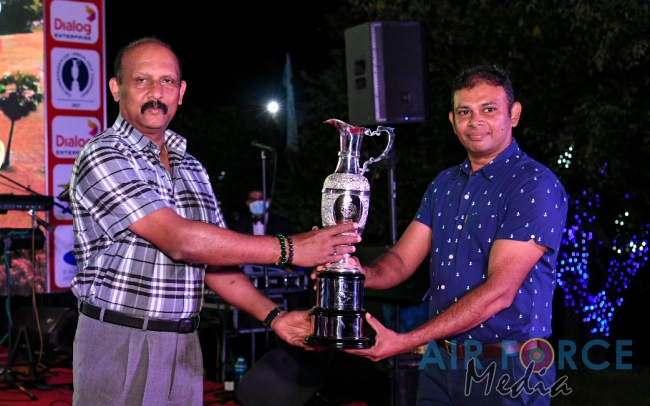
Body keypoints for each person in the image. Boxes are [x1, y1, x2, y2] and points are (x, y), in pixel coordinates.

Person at [68, 37, 360, 406]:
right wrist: (289, 249)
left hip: (185, 344)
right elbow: (180, 241)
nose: (156, 92)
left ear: (181, 92)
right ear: (116, 88)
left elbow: (213, 261)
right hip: (119, 338)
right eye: (142, 80)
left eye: (167, 81)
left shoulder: (192, 167)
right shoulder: (103, 153)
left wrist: (275, 317)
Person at [339, 63, 568, 405]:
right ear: (452, 120)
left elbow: (499, 293)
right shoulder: (444, 184)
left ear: (514, 114)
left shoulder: (533, 184)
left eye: (489, 110)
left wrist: (406, 340)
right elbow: (401, 260)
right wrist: (357, 273)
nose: (475, 121)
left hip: (506, 366)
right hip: (440, 363)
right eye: (465, 112)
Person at [228, 187, 292, 237]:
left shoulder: (282, 223)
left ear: (268, 201)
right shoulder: (239, 226)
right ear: (248, 203)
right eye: (253, 200)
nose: (257, 203)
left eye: (261, 199)